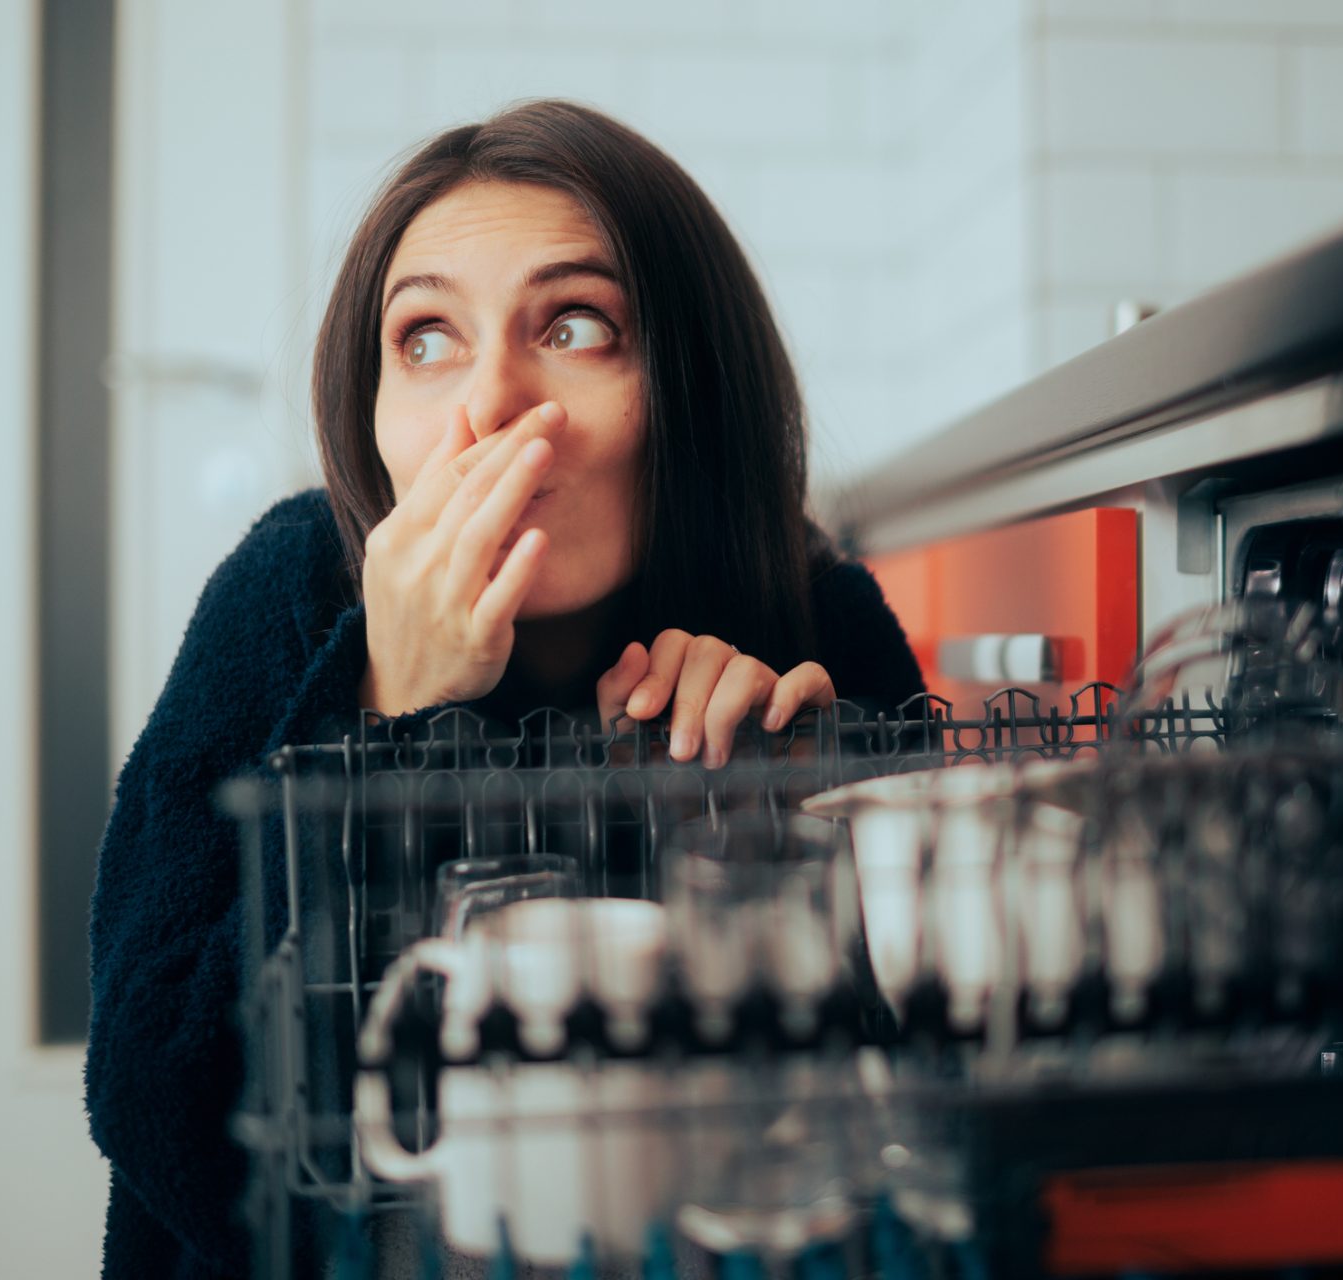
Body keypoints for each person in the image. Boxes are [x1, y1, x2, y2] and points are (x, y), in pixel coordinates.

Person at [83, 99, 927, 1277]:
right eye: (424, 339)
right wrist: (386, 713)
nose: (485, 407)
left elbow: (930, 1119)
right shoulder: (292, 590)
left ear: (692, 388)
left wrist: (786, 815)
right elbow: (163, 1118)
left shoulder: (812, 618)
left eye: (575, 325)